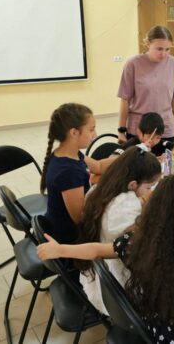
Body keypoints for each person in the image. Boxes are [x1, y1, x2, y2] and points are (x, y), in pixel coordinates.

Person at [37, 175, 174, 343]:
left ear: (153, 206)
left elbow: (96, 250)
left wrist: (61, 249)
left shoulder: (136, 241)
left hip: (151, 316)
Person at [77, 147, 162, 315]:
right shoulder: (126, 208)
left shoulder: (101, 188)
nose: (151, 191)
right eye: (149, 187)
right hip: (117, 290)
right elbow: (143, 246)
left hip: (96, 271)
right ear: (132, 184)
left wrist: (142, 199)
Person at [40, 103, 98, 244]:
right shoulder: (68, 172)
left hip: (59, 226)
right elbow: (80, 218)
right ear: (74, 133)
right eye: (91, 130)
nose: (95, 135)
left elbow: (99, 166)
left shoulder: (69, 153)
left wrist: (128, 157)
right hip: (68, 239)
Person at [117, 25, 174, 143]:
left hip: (165, 127)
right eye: (159, 49)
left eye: (167, 49)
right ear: (148, 44)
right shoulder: (133, 64)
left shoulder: (172, 63)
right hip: (140, 129)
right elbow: (125, 99)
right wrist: (121, 130)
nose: (163, 53)